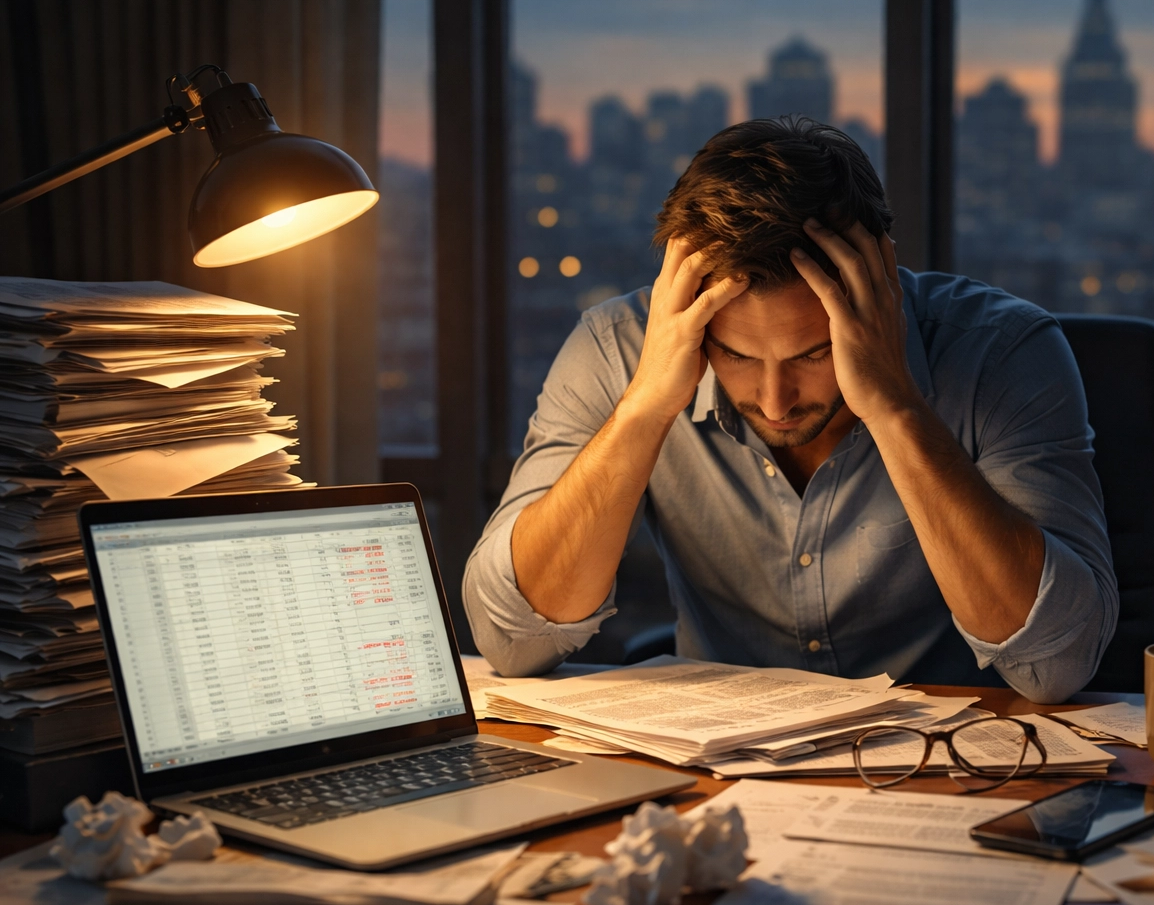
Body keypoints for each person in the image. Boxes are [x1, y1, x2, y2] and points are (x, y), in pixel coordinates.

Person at [464, 117, 1116, 702]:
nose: (775, 402)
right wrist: (644, 407)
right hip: (719, 774)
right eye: (738, 355)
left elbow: (1055, 663)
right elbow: (511, 641)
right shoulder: (619, 347)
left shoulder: (1002, 351)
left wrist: (895, 407)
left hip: (950, 767)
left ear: (879, 288)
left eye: (812, 354)